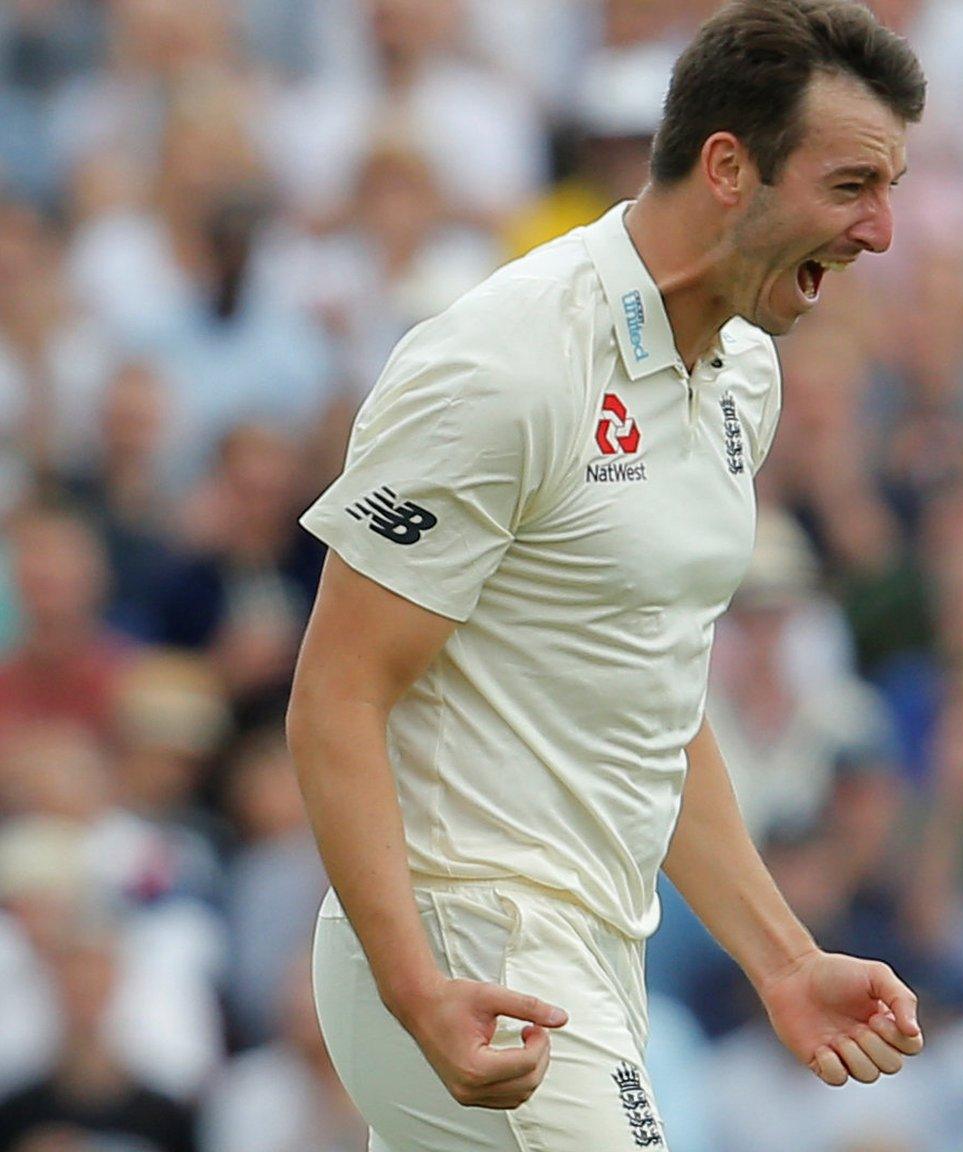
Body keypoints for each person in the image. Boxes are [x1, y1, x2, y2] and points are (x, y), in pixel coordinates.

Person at [286, 3, 927, 1150]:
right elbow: (335, 693)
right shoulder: (503, 361)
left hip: (592, 951)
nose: (881, 229)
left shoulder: (743, 377)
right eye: (850, 186)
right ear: (728, 168)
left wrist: (782, 959)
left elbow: (650, 697)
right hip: (475, 945)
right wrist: (414, 984)